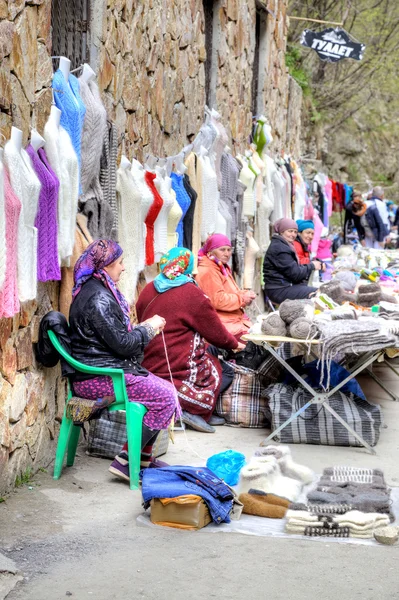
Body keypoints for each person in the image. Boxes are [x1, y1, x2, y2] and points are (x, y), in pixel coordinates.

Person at [68, 239, 178, 483]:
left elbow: (116, 340)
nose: (124, 268)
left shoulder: (99, 290)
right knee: (166, 396)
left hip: (105, 371)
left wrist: (141, 330)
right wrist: (147, 328)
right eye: (120, 263)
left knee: (167, 390)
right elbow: (124, 344)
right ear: (105, 266)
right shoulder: (98, 299)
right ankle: (127, 461)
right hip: (98, 378)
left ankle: (144, 458)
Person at [136, 248, 240, 434]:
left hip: (147, 362)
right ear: (187, 266)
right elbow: (216, 333)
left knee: (209, 358)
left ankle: (197, 411)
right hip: (175, 366)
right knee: (221, 370)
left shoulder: (149, 288)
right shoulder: (192, 293)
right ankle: (188, 409)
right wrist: (234, 343)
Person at [195, 234, 256, 340]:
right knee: (256, 347)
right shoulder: (208, 271)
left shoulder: (221, 267)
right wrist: (242, 299)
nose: (227, 253)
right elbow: (218, 300)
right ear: (210, 251)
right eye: (222, 250)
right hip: (222, 324)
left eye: (229, 250)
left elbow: (232, 292)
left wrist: (245, 295)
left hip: (232, 320)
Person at [263, 218, 322, 305]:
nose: (293, 234)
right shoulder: (280, 248)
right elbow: (295, 274)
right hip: (278, 290)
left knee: (314, 290)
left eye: (295, 232)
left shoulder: (284, 245)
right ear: (282, 231)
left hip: (282, 286)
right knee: (318, 293)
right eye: (290, 231)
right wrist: (312, 266)